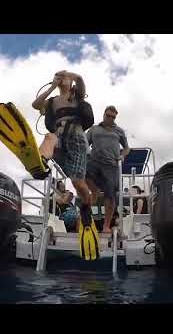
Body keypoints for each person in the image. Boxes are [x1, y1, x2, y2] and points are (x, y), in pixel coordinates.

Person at [31, 70, 93, 216]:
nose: (61, 78)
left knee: (77, 182)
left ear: (70, 80)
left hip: (76, 138)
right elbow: (36, 104)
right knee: (49, 137)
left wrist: (71, 75)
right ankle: (41, 161)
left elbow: (80, 81)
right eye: (58, 76)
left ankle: (86, 206)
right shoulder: (53, 101)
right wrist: (53, 86)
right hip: (59, 138)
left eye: (64, 77)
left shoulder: (76, 96)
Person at [86, 105, 130, 233]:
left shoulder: (119, 131)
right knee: (83, 175)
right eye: (108, 116)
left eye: (113, 117)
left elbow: (127, 148)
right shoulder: (94, 129)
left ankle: (106, 226)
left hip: (112, 165)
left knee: (110, 196)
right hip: (94, 161)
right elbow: (85, 143)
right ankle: (94, 191)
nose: (110, 118)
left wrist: (122, 155)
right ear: (104, 114)